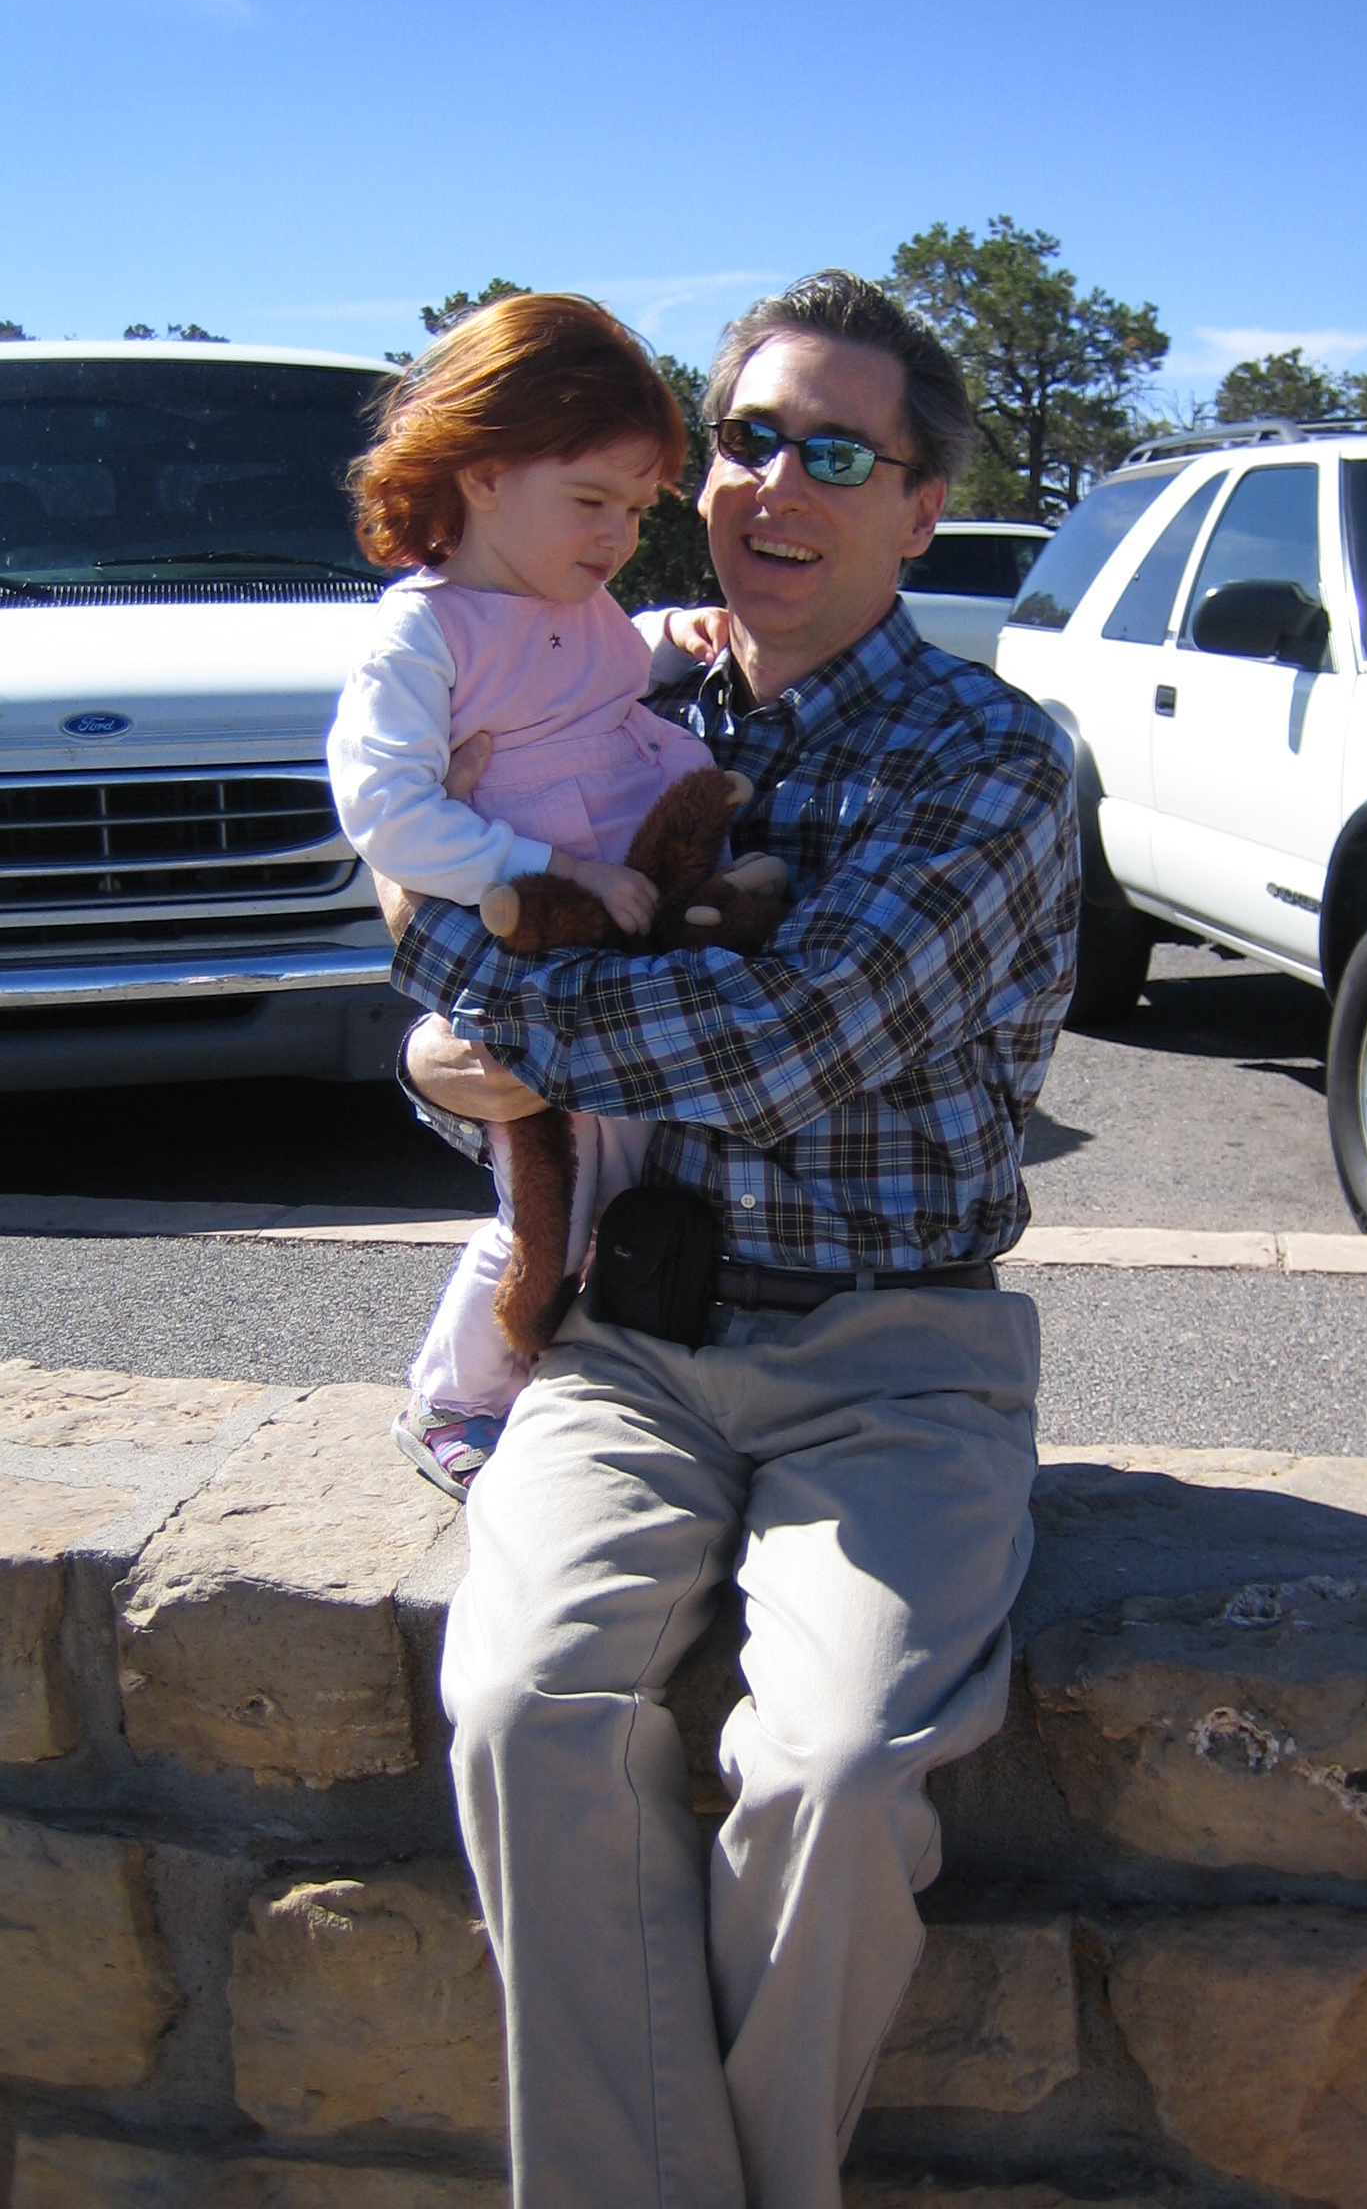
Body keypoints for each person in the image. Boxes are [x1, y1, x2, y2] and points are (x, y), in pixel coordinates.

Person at [374, 270, 1080, 2209]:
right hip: (630, 1347)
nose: (778, 481)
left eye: (837, 452)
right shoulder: (609, 687)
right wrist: (449, 1051)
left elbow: (782, 1044)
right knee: (522, 1712)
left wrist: (479, 1002)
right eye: (750, 438)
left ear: (921, 507)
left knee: (833, 1772)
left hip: (897, 1359)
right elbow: (429, 915)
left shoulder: (985, 760)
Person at [327, 294, 747, 1496]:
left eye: (637, 509)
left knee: (630, 1193)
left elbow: (595, 670)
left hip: (622, 948)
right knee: (546, 1211)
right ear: (483, 473)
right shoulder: (422, 636)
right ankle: (454, 1396)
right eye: (592, 501)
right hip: (536, 958)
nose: (619, 535)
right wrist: (552, 870)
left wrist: (668, 633)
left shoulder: (572, 602)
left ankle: (571, 1390)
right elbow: (387, 813)